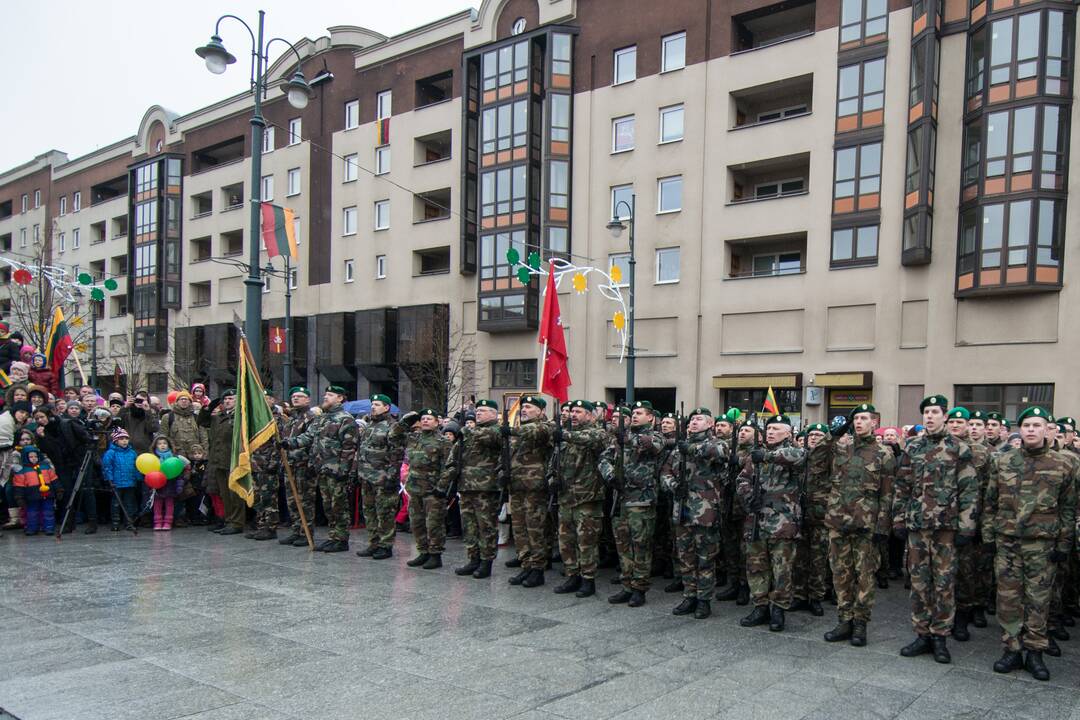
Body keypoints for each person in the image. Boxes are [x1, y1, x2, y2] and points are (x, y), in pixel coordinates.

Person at [983, 406, 1077, 681]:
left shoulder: (1065, 463)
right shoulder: (1002, 461)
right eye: (1027, 426)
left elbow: (1069, 508)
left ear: (1047, 428)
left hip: (1043, 544)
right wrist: (988, 537)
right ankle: (1012, 649)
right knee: (1008, 598)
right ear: (1019, 430)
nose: (1032, 430)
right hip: (1008, 541)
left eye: (1037, 425)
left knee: (1039, 600)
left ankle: (1035, 653)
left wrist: (1064, 544)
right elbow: (989, 503)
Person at [894, 395, 978, 664]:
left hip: (946, 527)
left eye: (935, 412)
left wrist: (966, 526)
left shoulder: (959, 448)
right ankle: (922, 634)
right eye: (926, 412)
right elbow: (902, 486)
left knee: (943, 584)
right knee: (919, 583)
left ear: (945, 416)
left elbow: (969, 490)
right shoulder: (913, 447)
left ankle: (940, 637)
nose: (929, 416)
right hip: (918, 526)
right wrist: (898, 519)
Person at [816, 405, 895, 647]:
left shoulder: (884, 453)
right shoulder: (841, 447)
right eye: (856, 419)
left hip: (865, 525)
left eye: (864, 418)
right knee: (841, 573)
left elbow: (888, 494)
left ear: (875, 422)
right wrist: (833, 434)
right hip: (838, 521)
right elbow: (816, 460)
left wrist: (883, 527)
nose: (858, 422)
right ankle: (844, 619)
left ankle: (860, 622)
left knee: (864, 576)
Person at [737, 413, 805, 632]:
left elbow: (796, 457)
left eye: (777, 429)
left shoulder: (793, 451)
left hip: (782, 523)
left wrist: (765, 456)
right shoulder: (755, 455)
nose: (771, 432)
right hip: (756, 519)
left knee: (781, 569)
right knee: (756, 566)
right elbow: (742, 479)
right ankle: (760, 606)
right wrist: (748, 496)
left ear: (788, 432)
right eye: (769, 429)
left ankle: (778, 609)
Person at [663, 407, 728, 619]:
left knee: (705, 558)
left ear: (710, 424)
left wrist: (689, 448)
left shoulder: (716, 443)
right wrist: (673, 485)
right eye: (692, 419)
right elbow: (665, 472)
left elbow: (718, 453)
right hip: (682, 509)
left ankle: (704, 599)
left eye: (699, 419)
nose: (693, 422)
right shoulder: (680, 447)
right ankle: (689, 595)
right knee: (686, 557)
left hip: (705, 511)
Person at [283, 386, 359, 552]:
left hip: (336, 470)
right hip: (321, 468)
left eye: (330, 395)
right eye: (325, 394)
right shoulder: (322, 418)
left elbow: (349, 447)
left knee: (339, 505)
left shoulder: (345, 419)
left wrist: (344, 470)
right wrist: (289, 443)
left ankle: (341, 539)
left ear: (340, 398)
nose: (325, 397)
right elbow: (308, 436)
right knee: (328, 506)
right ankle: (333, 536)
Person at [605, 400, 664, 607]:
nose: (636, 416)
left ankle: (639, 588)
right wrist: (611, 475)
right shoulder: (620, 439)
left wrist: (625, 437)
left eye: (640, 413)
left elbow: (650, 445)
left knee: (641, 546)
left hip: (642, 500)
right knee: (622, 545)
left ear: (651, 417)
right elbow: (605, 459)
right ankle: (627, 585)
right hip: (621, 498)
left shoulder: (655, 435)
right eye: (634, 413)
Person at [946, 407, 992, 643]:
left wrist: (976, 523)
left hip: (969, 522)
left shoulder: (981, 452)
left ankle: (962, 619)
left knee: (967, 573)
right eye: (951, 421)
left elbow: (986, 491)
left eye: (961, 421)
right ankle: (941, 619)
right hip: (942, 521)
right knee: (943, 575)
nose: (956, 425)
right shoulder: (938, 447)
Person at [506, 395, 554, 588]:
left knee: (536, 529)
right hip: (517, 486)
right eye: (522, 407)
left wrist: (509, 430)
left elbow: (533, 431)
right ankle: (525, 564)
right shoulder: (519, 432)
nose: (523, 410)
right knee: (519, 529)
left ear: (541, 411)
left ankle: (537, 569)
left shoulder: (545, 427)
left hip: (535, 487)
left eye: (528, 407)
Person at [452, 399, 503, 578]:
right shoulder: (470, 432)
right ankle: (473, 558)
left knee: (486, 526)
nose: (478, 413)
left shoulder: (496, 431)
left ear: (494, 414)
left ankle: (486, 562)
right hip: (466, 485)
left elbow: (489, 437)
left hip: (486, 487)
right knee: (470, 526)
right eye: (477, 410)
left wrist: (465, 428)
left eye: (483, 410)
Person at [400, 408, 453, 569]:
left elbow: (449, 467)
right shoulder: (414, 438)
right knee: (417, 523)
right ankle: (423, 552)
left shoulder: (443, 442)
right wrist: (405, 422)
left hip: (433, 490)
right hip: (415, 488)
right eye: (423, 418)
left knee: (434, 524)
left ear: (437, 422)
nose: (425, 421)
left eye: (429, 419)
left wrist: (441, 487)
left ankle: (435, 555)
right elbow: (393, 436)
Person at [354, 393, 406, 559]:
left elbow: (396, 454)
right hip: (367, 477)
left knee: (385, 513)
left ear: (386, 407)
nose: (373, 407)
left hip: (383, 478)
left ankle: (385, 545)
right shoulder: (369, 425)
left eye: (377, 404)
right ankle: (373, 542)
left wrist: (391, 477)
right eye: (372, 404)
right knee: (369, 512)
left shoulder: (392, 426)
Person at [279, 387, 320, 548]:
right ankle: (296, 529)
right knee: (292, 500)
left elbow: (309, 437)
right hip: (290, 464)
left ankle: (306, 532)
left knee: (305, 500)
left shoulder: (312, 417)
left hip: (304, 465)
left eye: (300, 396)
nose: (295, 399)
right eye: (293, 396)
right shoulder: (292, 418)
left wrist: (290, 443)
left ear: (308, 399)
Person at [199, 390, 238, 533]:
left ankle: (237, 522)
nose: (227, 401)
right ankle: (228, 521)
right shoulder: (219, 417)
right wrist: (208, 408)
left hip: (232, 460)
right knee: (224, 494)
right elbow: (202, 421)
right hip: (218, 460)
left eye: (231, 398)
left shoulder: (240, 417)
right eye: (225, 399)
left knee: (234, 494)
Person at [12, 445, 57, 535]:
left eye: (35, 456)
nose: (34, 459)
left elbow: (54, 479)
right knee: (32, 513)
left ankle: (49, 528)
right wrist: (19, 497)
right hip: (31, 496)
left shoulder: (46, 467)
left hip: (47, 494)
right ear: (26, 457)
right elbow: (19, 486)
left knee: (48, 512)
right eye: (31, 457)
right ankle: (32, 528)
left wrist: (59, 489)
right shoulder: (22, 471)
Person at [101, 429, 140, 531]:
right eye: (121, 439)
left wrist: (138, 477)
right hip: (116, 483)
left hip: (130, 482)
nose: (124, 441)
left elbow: (136, 466)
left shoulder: (132, 453)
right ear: (115, 440)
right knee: (116, 503)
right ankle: (115, 522)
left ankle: (129, 522)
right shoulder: (111, 453)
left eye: (126, 439)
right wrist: (109, 479)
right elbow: (107, 467)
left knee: (129, 503)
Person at [151, 435, 185, 531]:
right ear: (155, 446)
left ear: (169, 445)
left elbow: (180, 473)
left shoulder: (174, 457)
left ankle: (168, 522)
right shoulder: (153, 458)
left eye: (165, 443)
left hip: (171, 484)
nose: (162, 445)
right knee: (157, 504)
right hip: (157, 485)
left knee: (169, 504)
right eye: (160, 443)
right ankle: (158, 522)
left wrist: (179, 486)